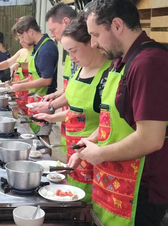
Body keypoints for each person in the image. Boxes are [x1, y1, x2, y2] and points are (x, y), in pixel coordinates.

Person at [75, 0, 168, 226]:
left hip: (142, 187)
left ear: (117, 25)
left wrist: (101, 154)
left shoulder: (149, 63)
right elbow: (114, 120)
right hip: (118, 182)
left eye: (95, 35)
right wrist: (88, 144)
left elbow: (151, 138)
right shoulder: (123, 63)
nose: (93, 43)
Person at [33, 14, 110, 201]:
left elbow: (110, 123)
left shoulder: (109, 74)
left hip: (96, 154)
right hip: (74, 149)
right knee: (73, 197)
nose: (71, 57)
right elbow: (77, 112)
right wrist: (51, 114)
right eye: (68, 52)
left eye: (74, 50)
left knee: (93, 204)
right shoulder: (80, 69)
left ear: (91, 42)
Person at [8, 16, 58, 138]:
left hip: (44, 100)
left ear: (30, 32)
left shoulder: (46, 48)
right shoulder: (38, 48)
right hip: (35, 99)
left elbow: (46, 80)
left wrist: (21, 86)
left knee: (42, 137)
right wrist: (17, 84)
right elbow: (34, 76)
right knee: (35, 135)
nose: (21, 40)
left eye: (22, 36)